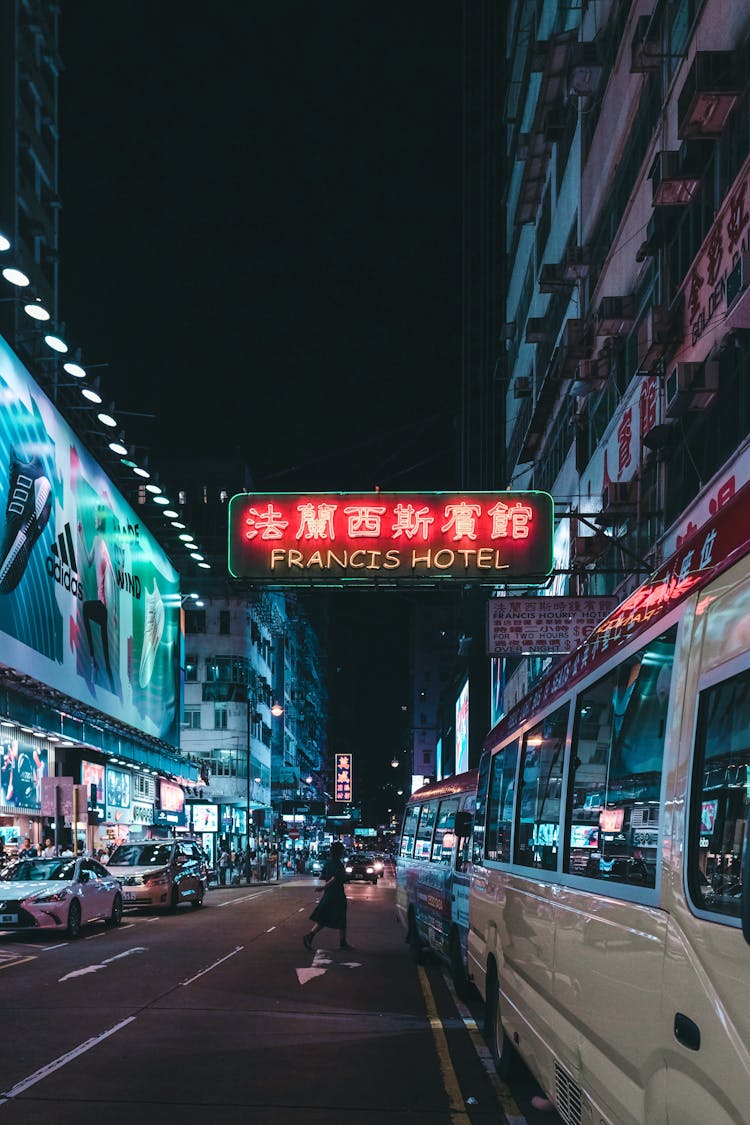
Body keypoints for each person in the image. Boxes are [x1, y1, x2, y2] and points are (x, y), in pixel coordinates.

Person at [303, 841, 352, 951]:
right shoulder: (338, 864)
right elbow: (334, 879)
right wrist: (323, 887)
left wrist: (323, 886)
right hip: (337, 894)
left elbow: (321, 876)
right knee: (340, 917)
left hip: (329, 894)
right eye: (342, 851)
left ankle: (310, 936)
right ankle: (342, 942)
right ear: (339, 852)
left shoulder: (328, 863)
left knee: (324, 917)